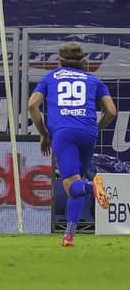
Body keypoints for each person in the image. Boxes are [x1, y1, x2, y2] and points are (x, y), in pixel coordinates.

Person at [27, 42, 117, 247]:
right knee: (76, 184)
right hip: (88, 132)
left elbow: (32, 105)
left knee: (72, 182)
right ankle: (69, 235)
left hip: (63, 134)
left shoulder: (51, 77)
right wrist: (96, 128)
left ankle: (93, 187)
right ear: (84, 62)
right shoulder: (94, 80)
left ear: (59, 61)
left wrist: (44, 134)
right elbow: (111, 111)